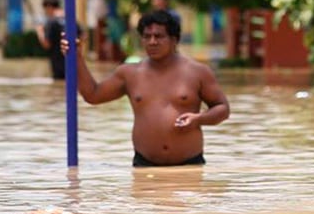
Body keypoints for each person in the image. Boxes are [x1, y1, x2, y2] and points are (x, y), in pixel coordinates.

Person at [61, 10, 230, 167]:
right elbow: (93, 95)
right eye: (147, 36)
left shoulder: (197, 72)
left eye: (159, 36)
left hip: (189, 165)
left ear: (174, 40)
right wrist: (77, 57)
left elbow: (223, 108)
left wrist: (198, 119)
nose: (152, 42)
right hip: (145, 166)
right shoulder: (130, 73)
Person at [36, 0, 66, 80]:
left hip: (58, 65)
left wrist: (40, 31)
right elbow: (83, 35)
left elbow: (46, 44)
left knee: (59, 89)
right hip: (73, 64)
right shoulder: (70, 18)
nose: (45, 12)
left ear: (49, 7)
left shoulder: (51, 21)